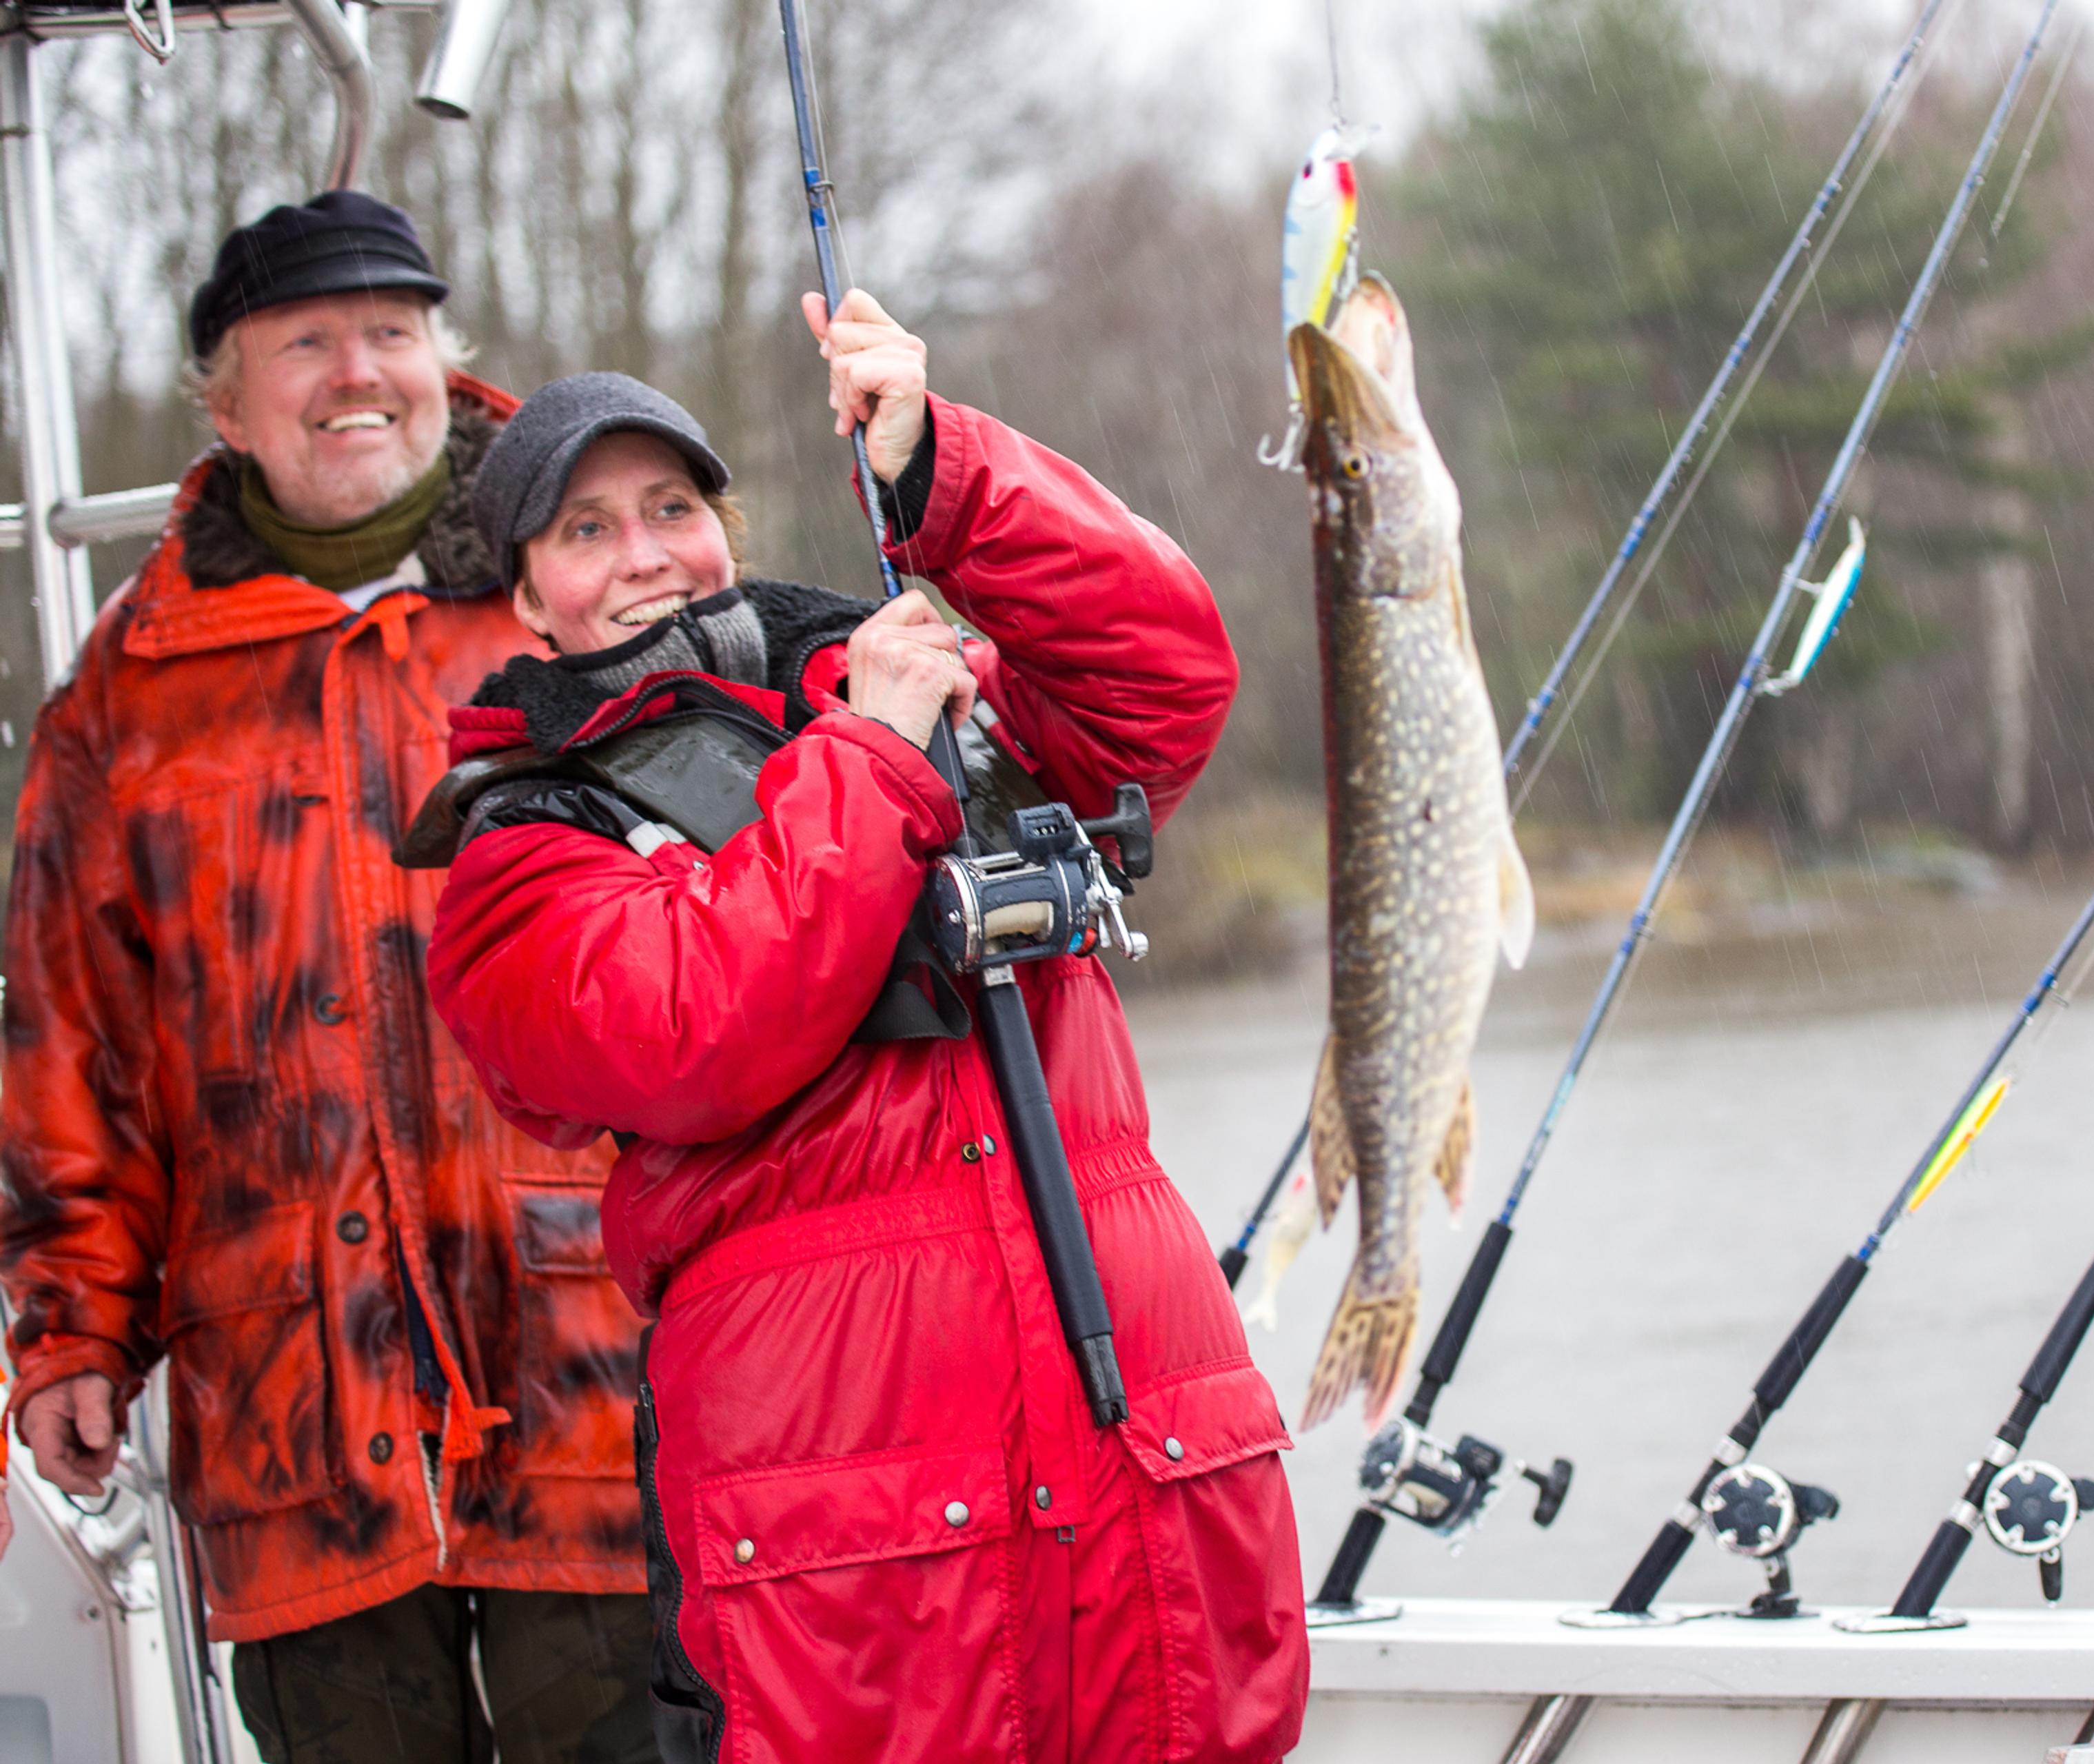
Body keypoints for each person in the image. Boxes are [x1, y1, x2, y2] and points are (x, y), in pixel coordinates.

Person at [413, 289, 1308, 1762]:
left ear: (729, 524)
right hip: (856, 1520)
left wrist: (940, 473)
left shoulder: (922, 685)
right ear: (525, 598)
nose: (645, 554)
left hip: (1133, 1435)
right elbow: (694, 1030)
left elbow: (1165, 676)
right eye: (585, 530)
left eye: (672, 507)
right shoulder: (521, 857)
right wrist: (879, 755)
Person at [0, 192, 657, 1763]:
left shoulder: (588, 586)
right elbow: (65, 1041)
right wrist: (73, 1328)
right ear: (226, 407)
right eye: (306, 344)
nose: (357, 372)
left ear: (447, 363)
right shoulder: (125, 691)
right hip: (291, 1420)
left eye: (392, 333)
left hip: (604, 1380)